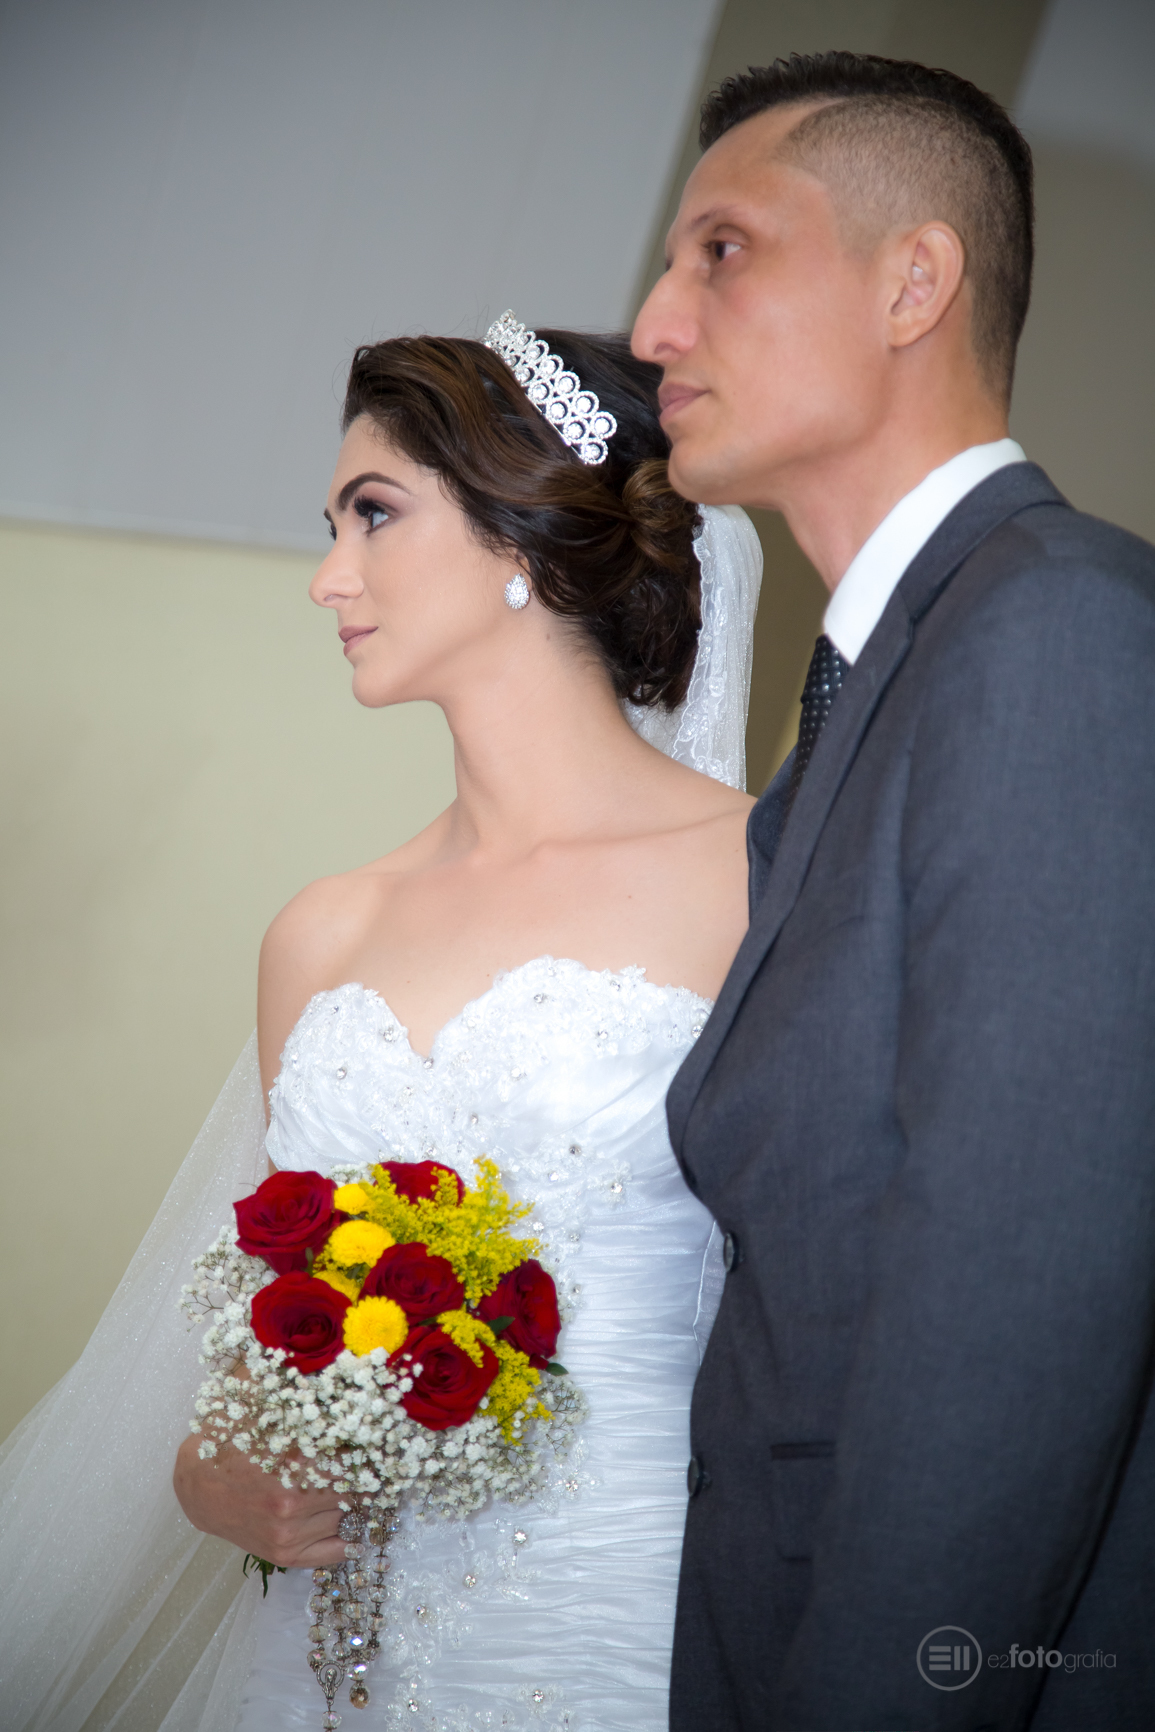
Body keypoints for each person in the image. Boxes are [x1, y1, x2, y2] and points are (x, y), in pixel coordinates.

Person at [0, 319, 762, 1730]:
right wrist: (215, 1479)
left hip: (618, 1628)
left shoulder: (761, 883)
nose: (326, 579)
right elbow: (252, 1355)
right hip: (320, 1654)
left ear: (520, 536)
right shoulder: (324, 934)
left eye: (373, 514)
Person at [632, 50, 1155, 1732]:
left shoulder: (1055, 631)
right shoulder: (879, 685)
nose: (652, 324)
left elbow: (1011, 1300)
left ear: (913, 280)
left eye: (719, 251)